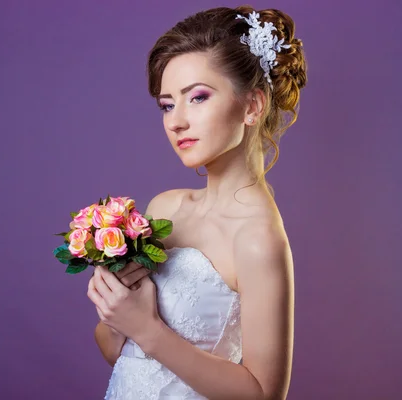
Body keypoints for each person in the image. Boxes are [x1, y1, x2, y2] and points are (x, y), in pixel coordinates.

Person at [87, 5, 307, 399]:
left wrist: (147, 329)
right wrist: (115, 312)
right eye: (167, 104)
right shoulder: (165, 209)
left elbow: (263, 394)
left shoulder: (258, 238)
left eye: (198, 97)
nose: (176, 121)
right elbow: (116, 353)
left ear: (253, 106)